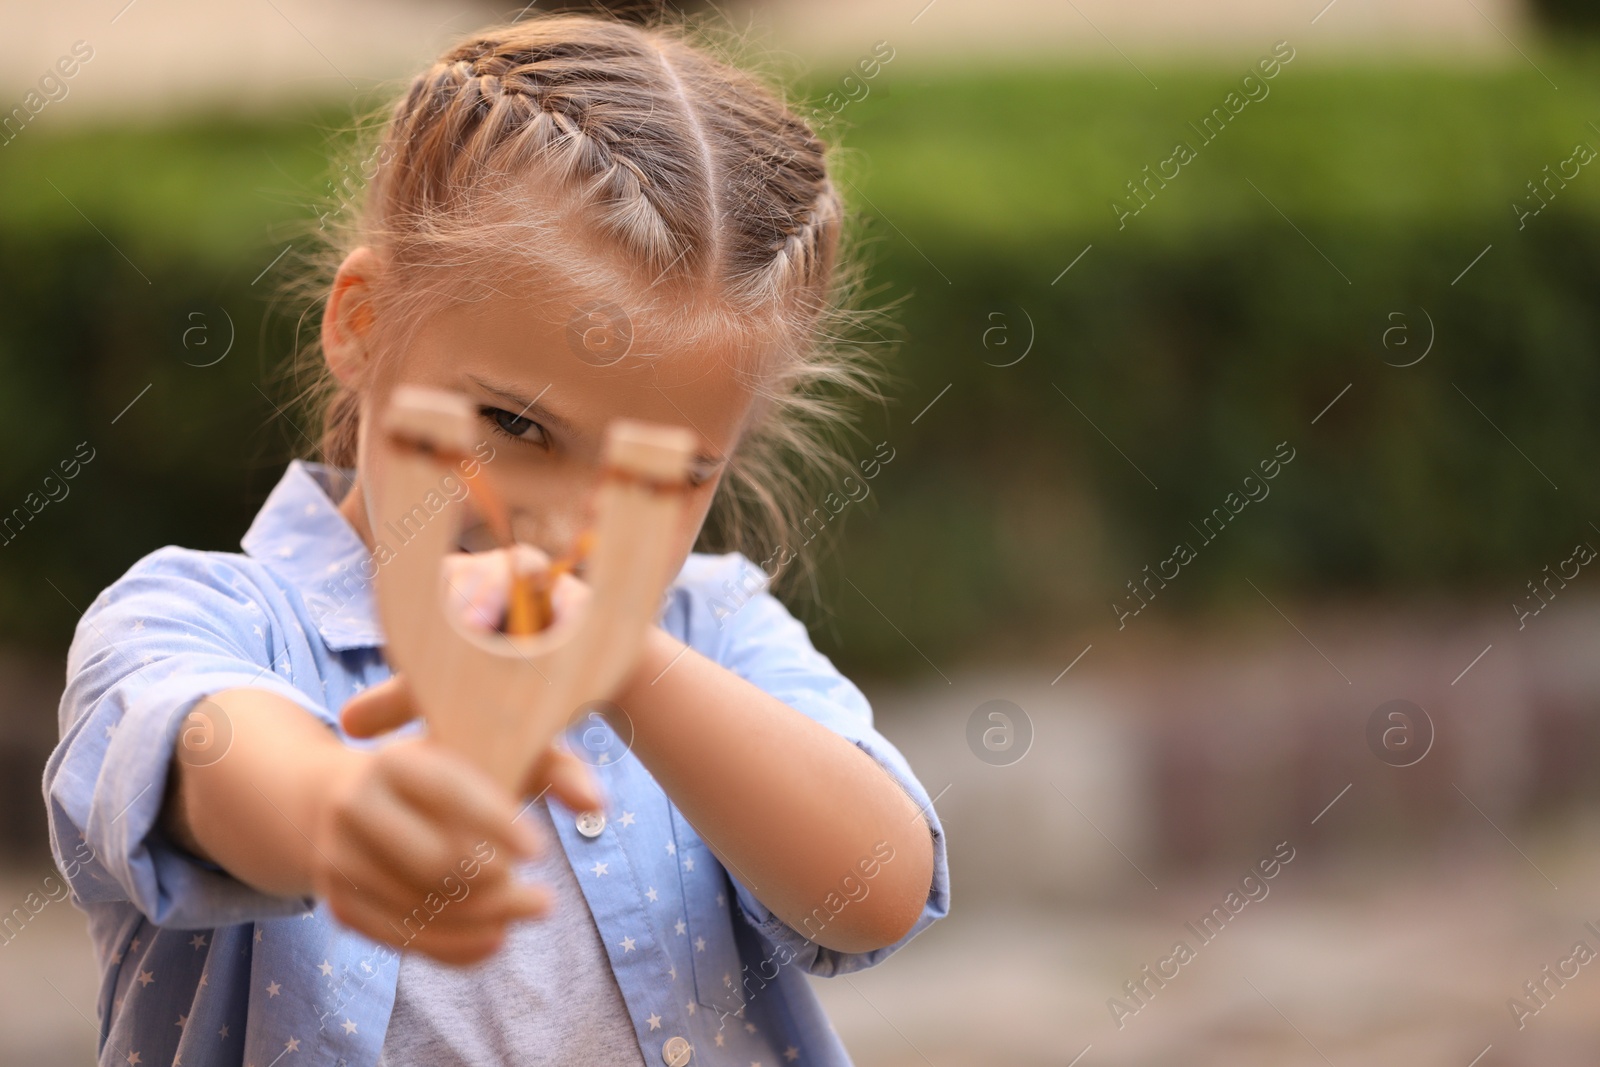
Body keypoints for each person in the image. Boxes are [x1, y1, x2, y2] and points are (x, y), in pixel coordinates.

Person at [42, 13, 948, 1067]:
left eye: (664, 473)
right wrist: (343, 808)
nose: (563, 526)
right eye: (516, 426)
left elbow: (875, 890)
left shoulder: (714, 628)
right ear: (363, 323)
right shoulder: (204, 617)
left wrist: (622, 658)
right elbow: (203, 750)